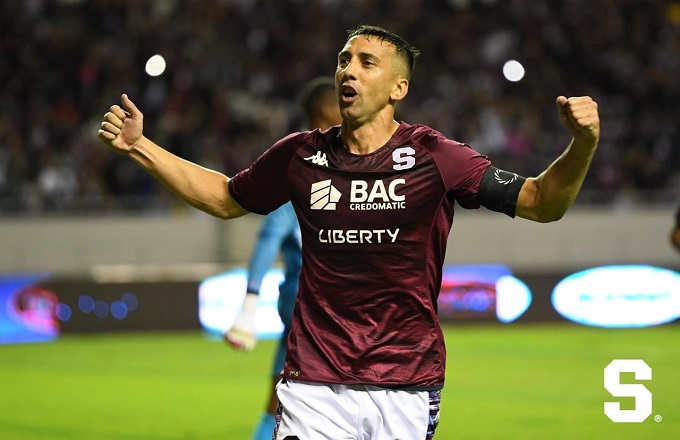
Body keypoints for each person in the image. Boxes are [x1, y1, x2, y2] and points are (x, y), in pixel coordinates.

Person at [97, 25, 600, 440]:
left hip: (406, 383)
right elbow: (225, 197)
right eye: (344, 60)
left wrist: (583, 143)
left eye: (366, 62)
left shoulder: (436, 156)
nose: (348, 70)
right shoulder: (300, 155)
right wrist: (141, 146)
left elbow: (541, 202)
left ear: (398, 89)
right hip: (313, 382)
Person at [224, 77, 342, 440]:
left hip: (311, 300)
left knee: (282, 385)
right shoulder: (302, 168)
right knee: (319, 390)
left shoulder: (334, 164)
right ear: (327, 110)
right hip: (313, 303)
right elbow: (269, 238)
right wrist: (249, 303)